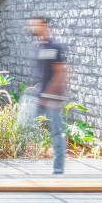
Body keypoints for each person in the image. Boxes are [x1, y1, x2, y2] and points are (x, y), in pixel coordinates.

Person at [28, 16, 69, 175]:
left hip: (52, 99)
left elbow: (61, 73)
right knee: (24, 125)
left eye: (36, 25)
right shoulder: (38, 46)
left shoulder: (56, 46)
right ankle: (29, 164)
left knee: (56, 133)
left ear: (45, 26)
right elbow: (42, 73)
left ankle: (58, 170)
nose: (33, 28)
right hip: (41, 96)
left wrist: (49, 95)